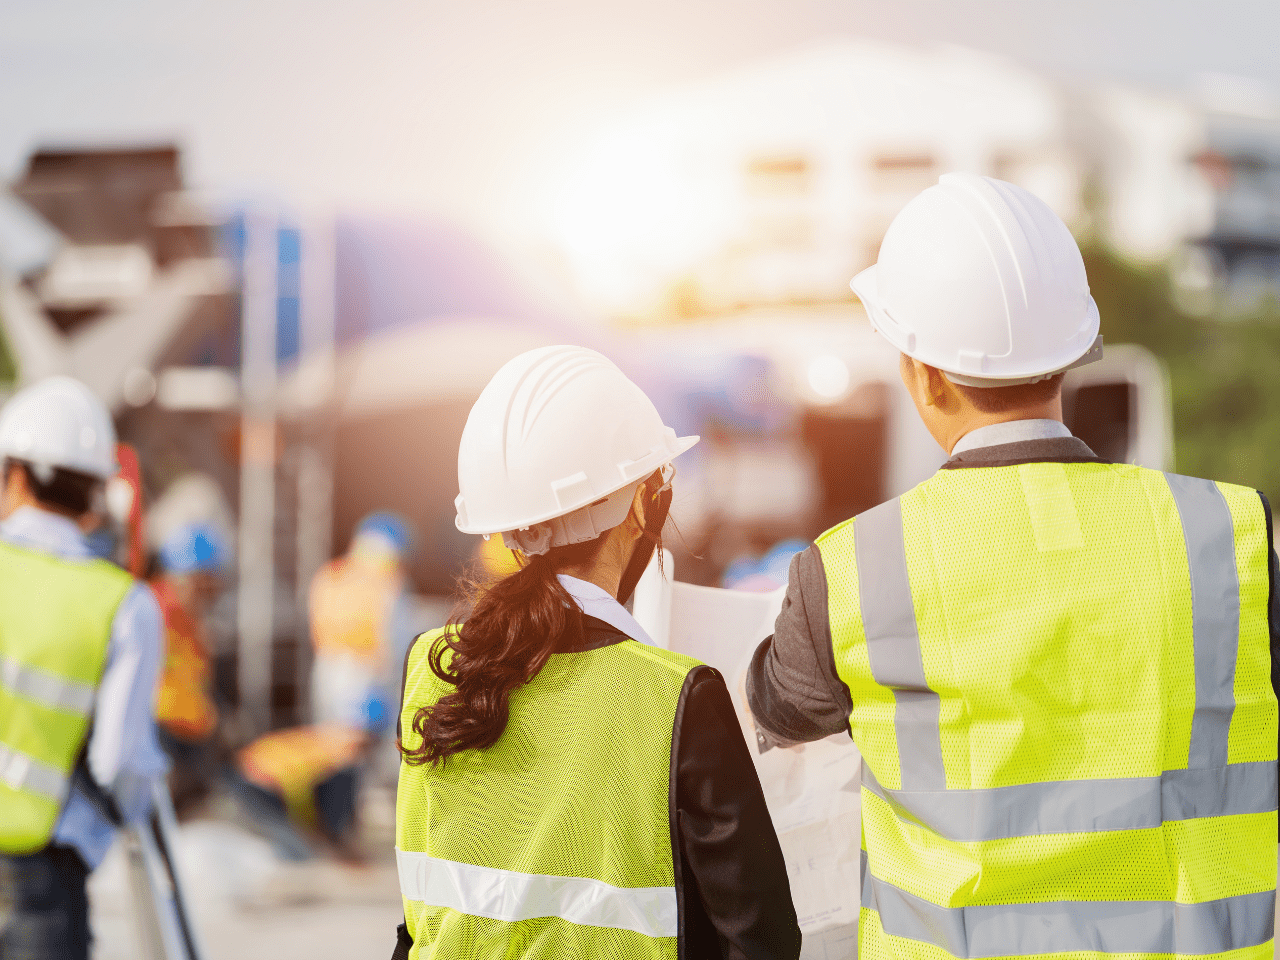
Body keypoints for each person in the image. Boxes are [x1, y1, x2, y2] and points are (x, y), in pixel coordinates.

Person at [746, 172, 1279, 960]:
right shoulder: (1231, 533)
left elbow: (779, 709)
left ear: (920, 372)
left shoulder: (853, 569)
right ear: (1076, 354)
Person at [392, 346, 801, 959]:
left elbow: (417, 922)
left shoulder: (432, 666)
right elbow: (761, 941)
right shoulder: (677, 698)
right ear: (643, 503)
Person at [0, 376, 167, 959]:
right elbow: (119, 761)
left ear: (13, 474)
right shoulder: (124, 605)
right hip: (41, 877)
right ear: (97, 493)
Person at [310, 510, 413, 732]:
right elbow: (394, 637)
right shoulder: (388, 581)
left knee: (332, 744)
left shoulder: (330, 574)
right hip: (367, 674)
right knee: (363, 745)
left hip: (328, 668)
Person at [151, 521, 228, 813]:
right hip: (165, 728)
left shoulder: (188, 614)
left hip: (188, 729)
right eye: (211, 579)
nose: (215, 589)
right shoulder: (158, 609)